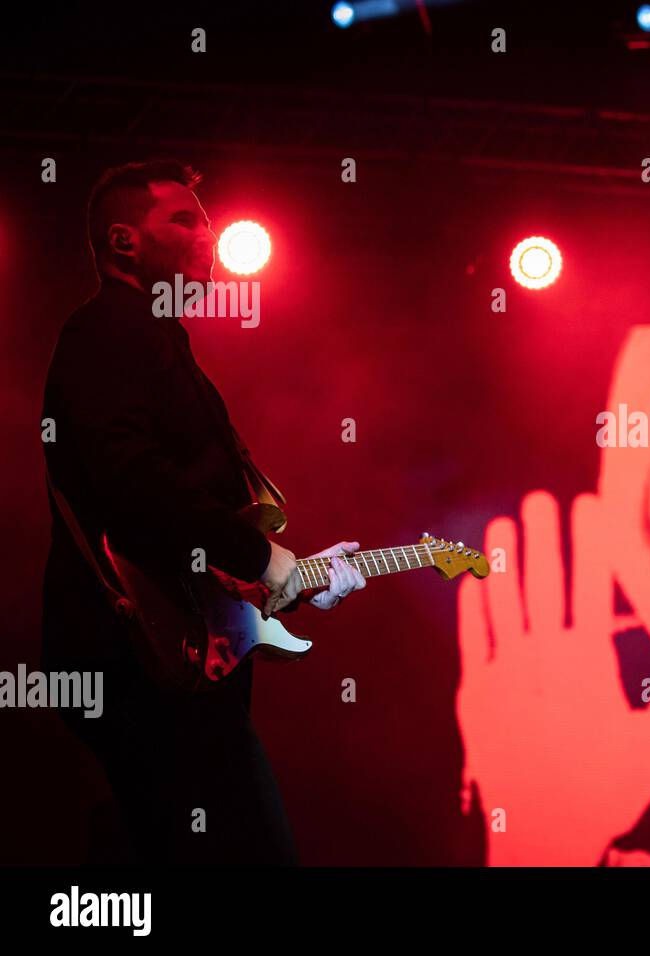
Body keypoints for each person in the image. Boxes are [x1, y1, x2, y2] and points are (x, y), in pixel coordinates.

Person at [40, 160, 366, 864]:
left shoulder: (162, 342)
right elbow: (130, 482)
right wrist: (262, 558)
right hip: (139, 655)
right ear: (124, 242)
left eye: (209, 221)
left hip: (177, 656)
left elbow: (184, 529)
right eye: (184, 220)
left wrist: (285, 579)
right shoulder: (106, 330)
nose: (208, 236)